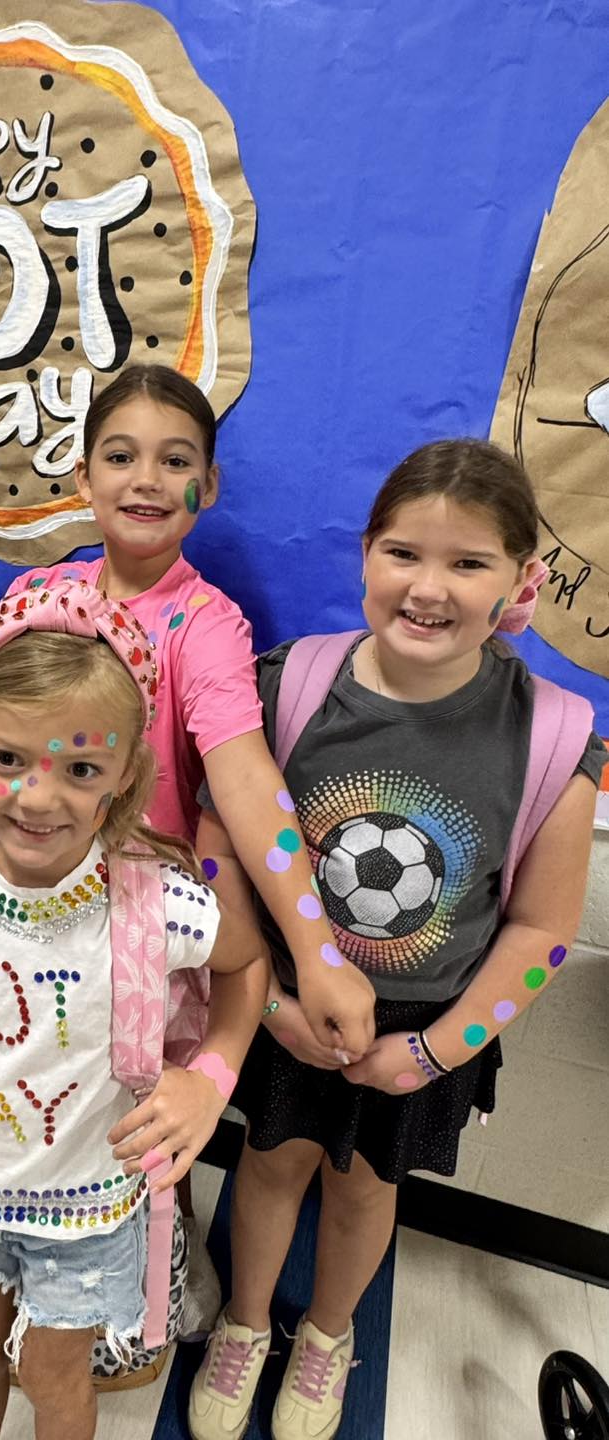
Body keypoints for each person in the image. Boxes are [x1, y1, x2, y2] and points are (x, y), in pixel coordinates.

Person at [0, 364, 377, 1334]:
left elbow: (242, 777)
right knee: (29, 1089)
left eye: (174, 461)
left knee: (146, 1106)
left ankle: (163, 1242)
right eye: (121, 456)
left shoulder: (206, 625)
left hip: (135, 929)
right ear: (84, 474)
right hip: (20, 919)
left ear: (207, 485)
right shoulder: (37, 594)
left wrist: (316, 951)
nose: (146, 479)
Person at [187, 438, 606, 1440]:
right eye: (404, 553)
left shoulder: (553, 737)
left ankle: (327, 1336)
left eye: (468, 562)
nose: (428, 588)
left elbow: (543, 930)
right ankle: (246, 1321)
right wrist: (266, 1003)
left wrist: (432, 1051)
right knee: (269, 1164)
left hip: (425, 1031)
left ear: (521, 579)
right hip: (285, 1005)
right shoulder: (288, 684)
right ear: (365, 553)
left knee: (366, 1188)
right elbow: (218, 848)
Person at [0, 580, 268, 1440]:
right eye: (9, 760)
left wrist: (211, 1077)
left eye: (79, 769)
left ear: (124, 776)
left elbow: (246, 965)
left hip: (85, 1209)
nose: (38, 798)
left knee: (53, 1375)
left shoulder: (158, 902)